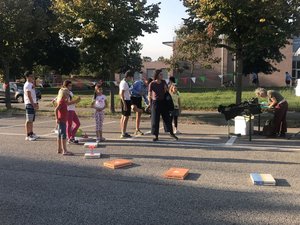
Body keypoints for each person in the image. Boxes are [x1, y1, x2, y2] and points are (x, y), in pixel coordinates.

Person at [148, 69, 178, 141]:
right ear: (157, 75)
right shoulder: (152, 83)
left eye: (162, 74)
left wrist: (166, 89)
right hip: (155, 103)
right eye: (160, 74)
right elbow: (149, 94)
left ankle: (171, 133)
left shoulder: (164, 82)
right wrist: (149, 104)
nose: (162, 75)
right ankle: (156, 136)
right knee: (155, 119)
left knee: (167, 118)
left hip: (163, 102)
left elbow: (166, 92)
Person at [55, 88, 73, 155]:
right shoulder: (62, 102)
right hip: (62, 120)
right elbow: (56, 110)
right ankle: (64, 150)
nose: (68, 95)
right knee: (63, 135)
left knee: (59, 135)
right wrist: (57, 118)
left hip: (62, 120)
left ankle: (59, 149)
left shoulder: (63, 101)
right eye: (67, 94)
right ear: (64, 94)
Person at [24, 71, 39, 141]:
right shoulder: (27, 85)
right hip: (29, 104)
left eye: (32, 76)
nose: (32, 77)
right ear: (27, 77)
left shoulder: (31, 84)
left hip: (32, 103)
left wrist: (36, 103)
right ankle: (28, 135)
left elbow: (33, 95)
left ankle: (31, 133)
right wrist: (33, 104)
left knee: (31, 120)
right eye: (30, 76)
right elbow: (29, 95)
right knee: (28, 120)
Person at [119, 70, 134, 138]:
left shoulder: (123, 82)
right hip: (125, 101)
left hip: (125, 100)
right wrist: (124, 104)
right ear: (128, 77)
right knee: (126, 117)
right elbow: (121, 94)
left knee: (123, 116)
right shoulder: (124, 83)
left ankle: (123, 131)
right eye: (131, 77)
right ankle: (123, 133)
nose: (131, 79)